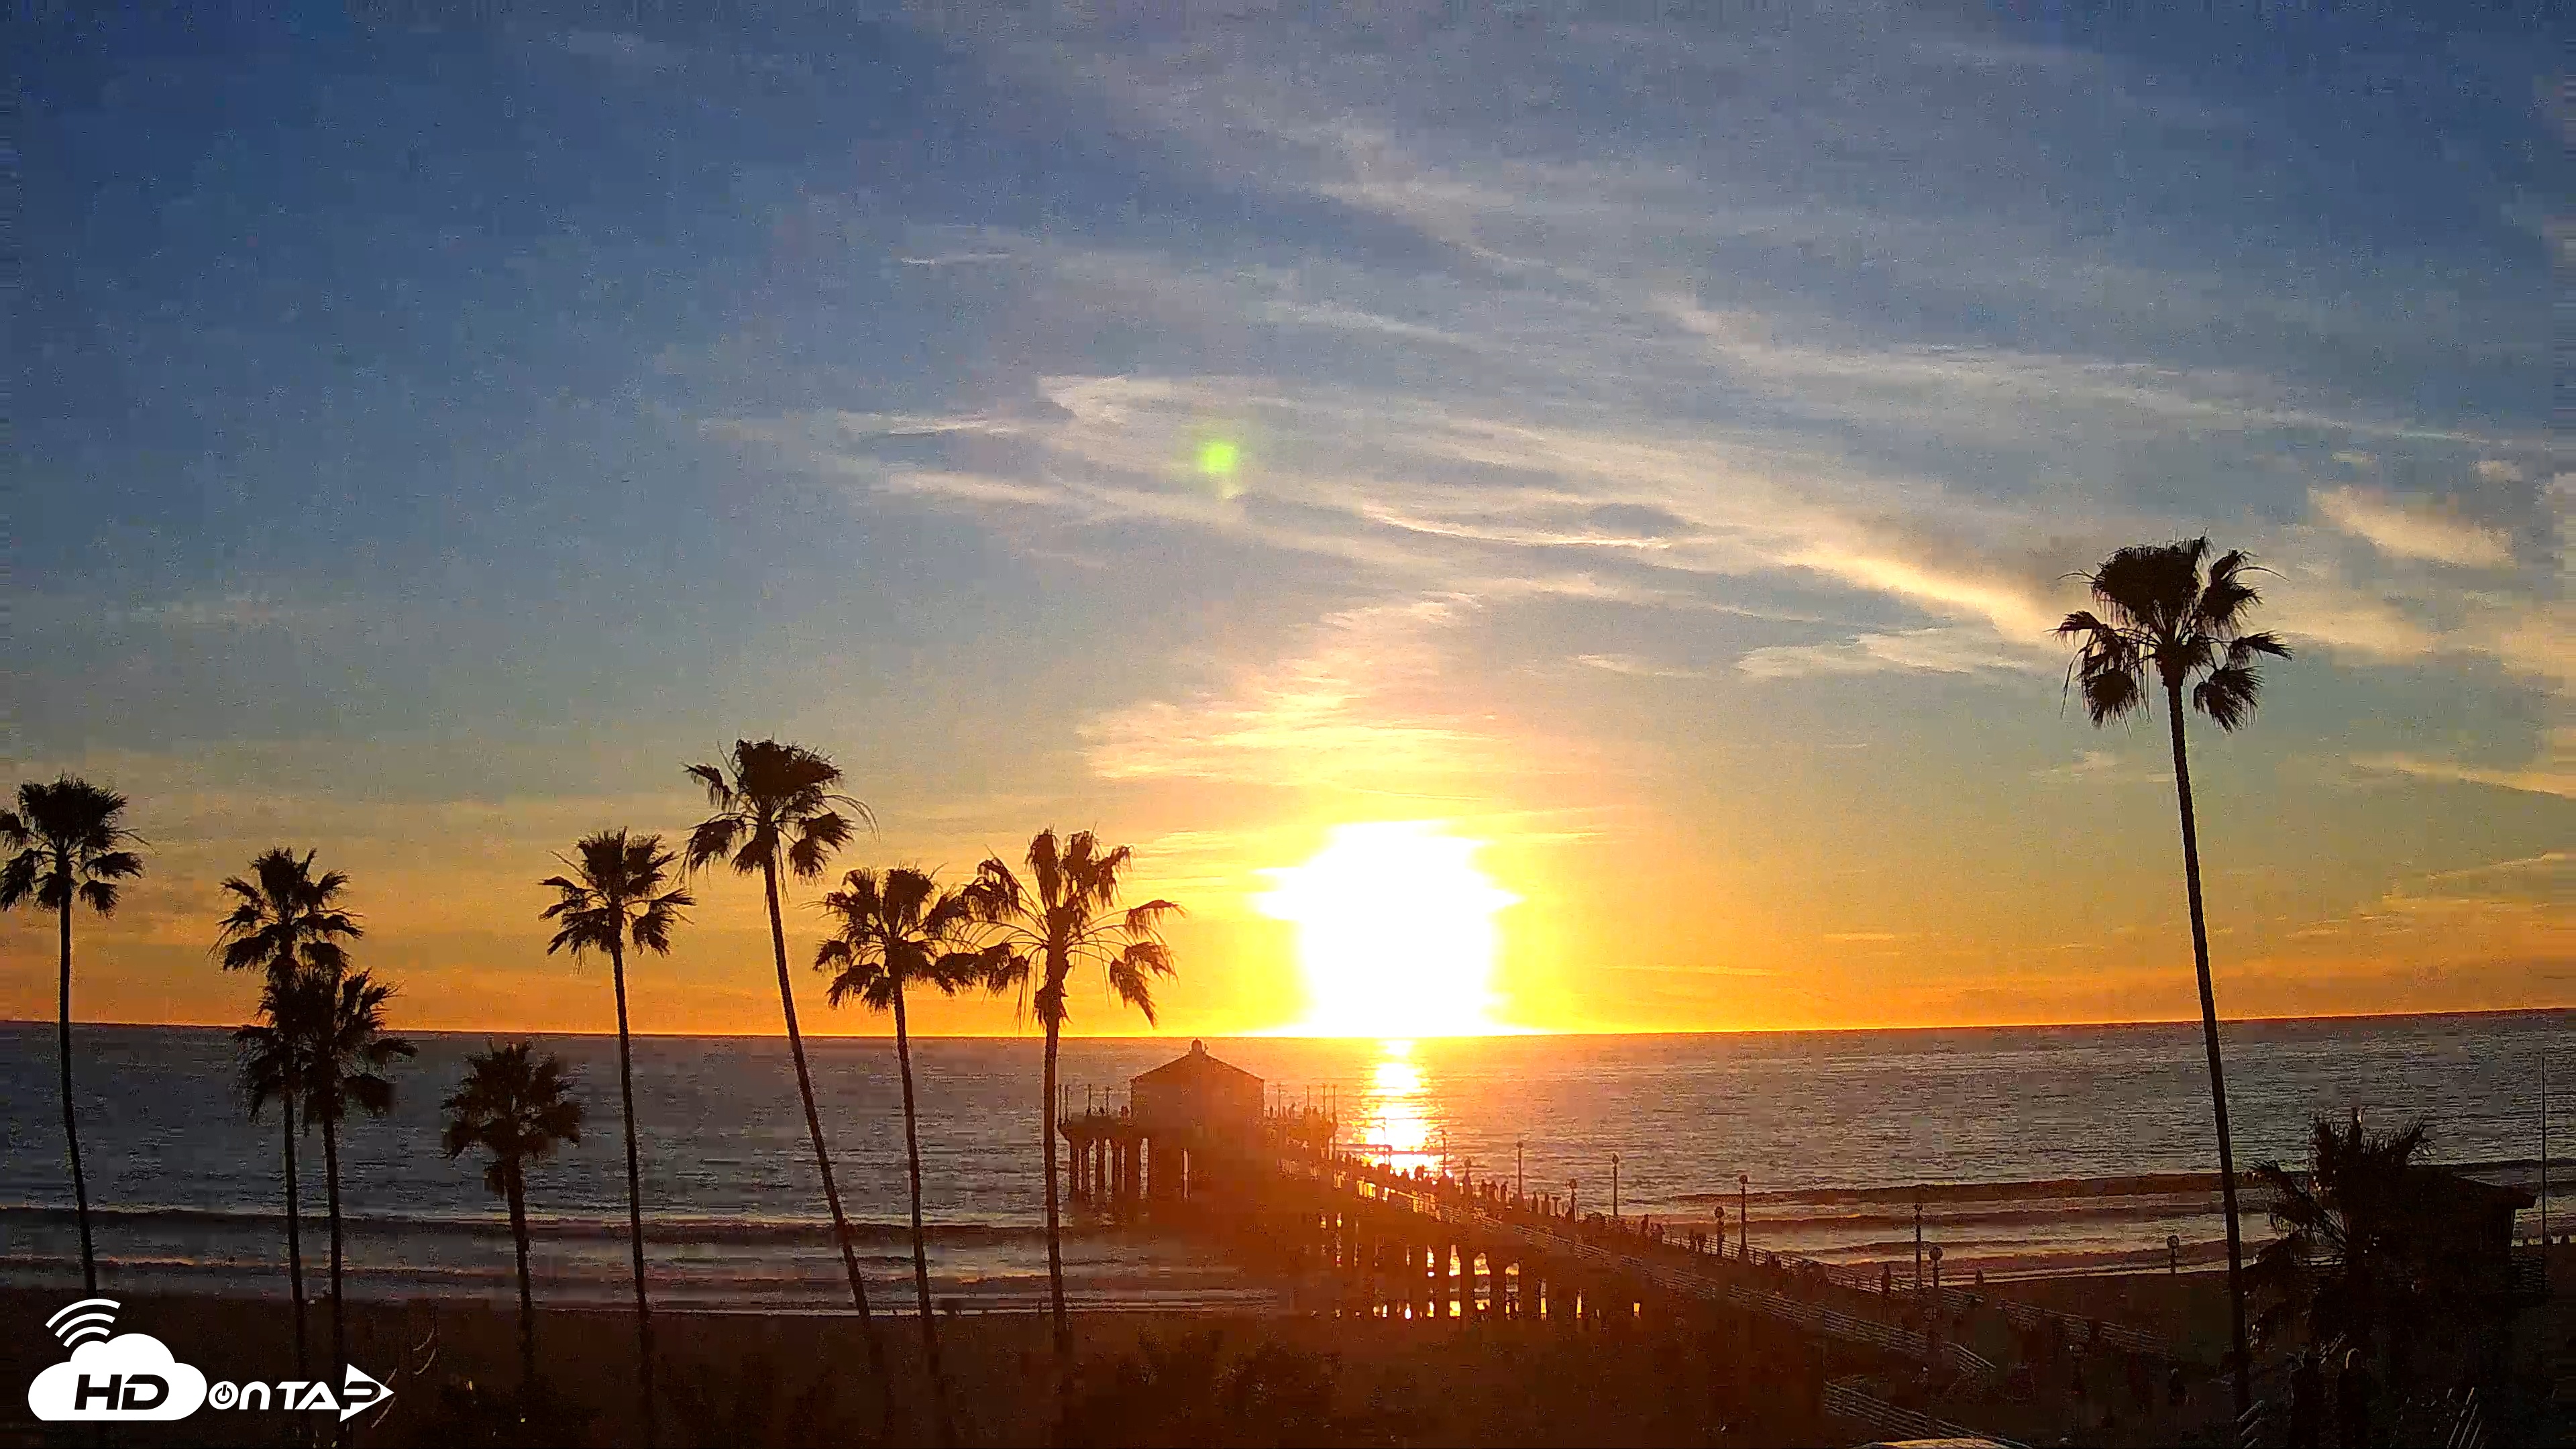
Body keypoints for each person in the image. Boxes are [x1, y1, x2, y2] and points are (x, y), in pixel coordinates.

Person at [2336, 1348, 2375, 1449]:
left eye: (2358, 1360)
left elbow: (2370, 1391)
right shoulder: (2343, 1377)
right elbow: (2340, 1395)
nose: (2356, 1363)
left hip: (2361, 1412)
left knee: (2362, 1439)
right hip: (2347, 1413)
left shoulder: (2364, 1375)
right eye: (2354, 1360)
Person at [2288, 1349, 2323, 1449]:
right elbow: (2298, 1396)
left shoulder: (2318, 1378)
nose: (2315, 1366)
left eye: (2316, 1363)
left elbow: (2320, 1397)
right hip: (2300, 1417)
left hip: (2312, 1418)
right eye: (2312, 1363)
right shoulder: (2297, 1376)